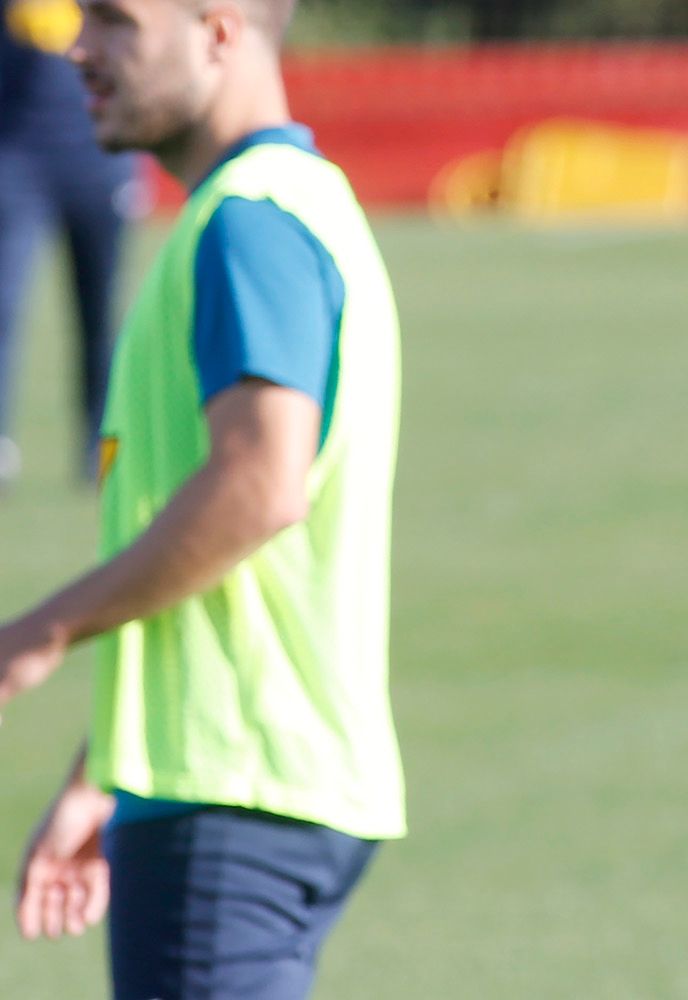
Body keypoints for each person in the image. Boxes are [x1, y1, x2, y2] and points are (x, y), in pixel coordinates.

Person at [0, 0, 404, 996]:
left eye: (115, 20)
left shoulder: (249, 223)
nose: (79, 46)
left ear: (220, 26)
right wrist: (109, 768)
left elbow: (261, 484)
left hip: (230, 805)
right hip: (239, 784)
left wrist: (46, 628)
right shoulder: (289, 204)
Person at [0, 0, 137, 488]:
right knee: (4, 304)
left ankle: (100, 449)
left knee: (99, 314)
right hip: (15, 154)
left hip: (99, 154)